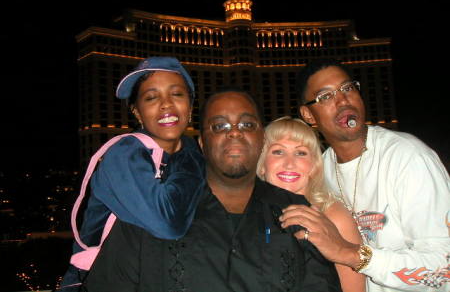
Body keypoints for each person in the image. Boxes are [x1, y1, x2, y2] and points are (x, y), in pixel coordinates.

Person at [84, 88, 344, 291]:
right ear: (202, 142)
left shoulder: (297, 211)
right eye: (219, 126)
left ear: (261, 139)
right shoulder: (154, 212)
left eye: (246, 125)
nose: (234, 133)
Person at [280, 58, 450, 291]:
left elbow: (444, 268)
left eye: (348, 88)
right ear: (308, 115)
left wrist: (349, 253)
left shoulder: (407, 157)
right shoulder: (318, 171)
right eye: (326, 96)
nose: (342, 99)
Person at [59, 57, 205, 290]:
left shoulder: (192, 155)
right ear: (137, 112)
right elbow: (169, 223)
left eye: (177, 94)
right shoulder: (125, 153)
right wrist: (190, 152)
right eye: (151, 97)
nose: (166, 104)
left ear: (190, 105)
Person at [257, 116, 366, 292]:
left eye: (300, 153)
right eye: (278, 151)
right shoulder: (253, 213)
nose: (289, 163)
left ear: (314, 166)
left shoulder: (334, 217)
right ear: (262, 164)